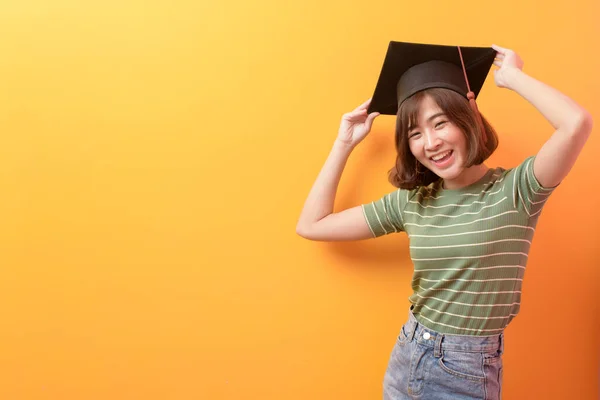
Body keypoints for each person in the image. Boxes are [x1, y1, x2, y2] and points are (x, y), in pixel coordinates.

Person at [295, 41, 593, 399]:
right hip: (408, 353)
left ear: (467, 119)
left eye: (441, 123)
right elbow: (312, 224)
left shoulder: (516, 190)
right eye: (415, 133)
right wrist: (343, 144)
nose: (430, 142)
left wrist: (512, 77)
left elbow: (576, 124)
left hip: (464, 370)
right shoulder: (413, 202)